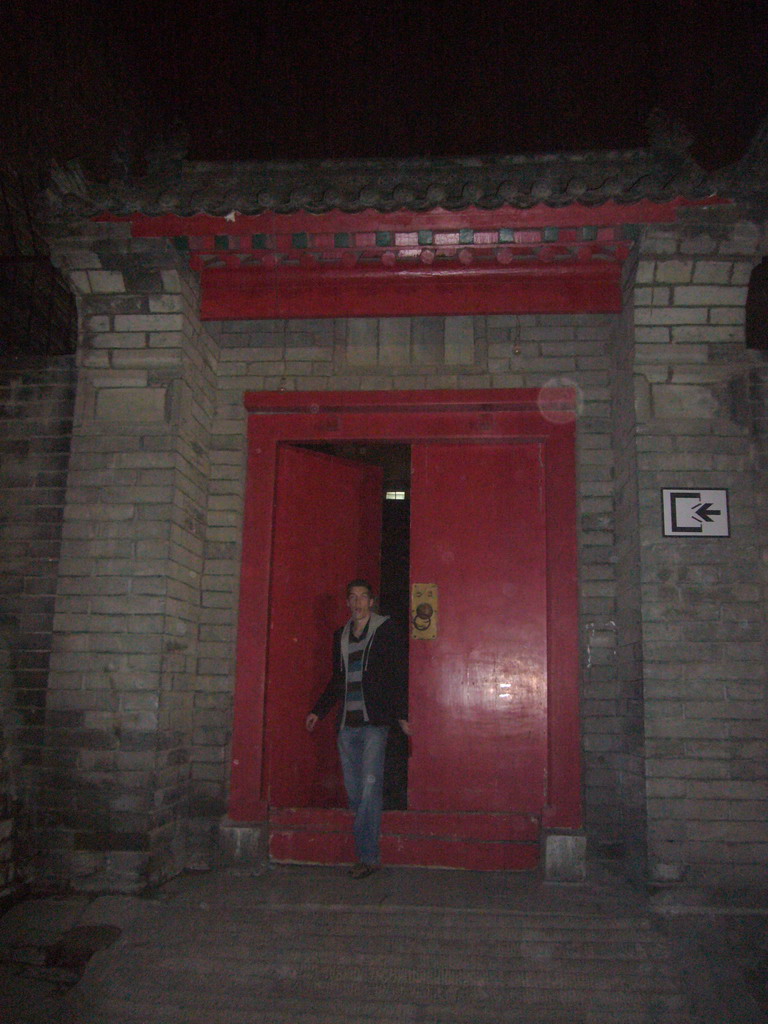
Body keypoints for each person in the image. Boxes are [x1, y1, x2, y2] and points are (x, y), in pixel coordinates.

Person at [306, 579, 409, 879]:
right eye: (352, 598)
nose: (358, 603)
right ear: (348, 603)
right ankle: (367, 840)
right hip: (346, 726)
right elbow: (337, 680)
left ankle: (368, 856)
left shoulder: (386, 631)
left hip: (374, 723)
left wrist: (401, 713)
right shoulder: (340, 636)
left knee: (368, 789)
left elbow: (397, 674)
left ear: (371, 602)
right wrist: (318, 711)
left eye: (363, 597)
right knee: (356, 793)